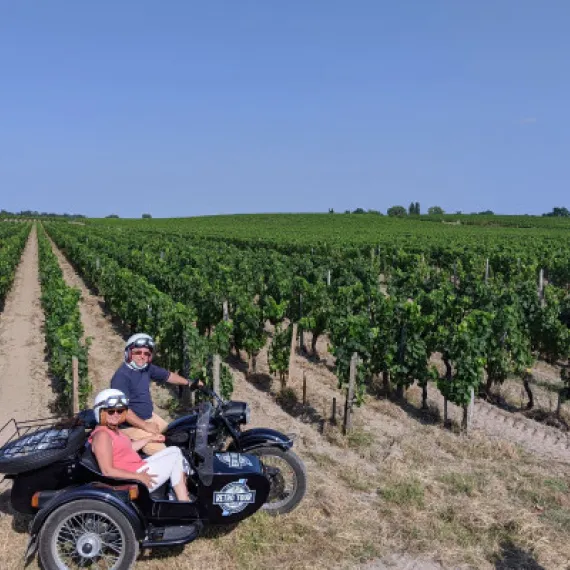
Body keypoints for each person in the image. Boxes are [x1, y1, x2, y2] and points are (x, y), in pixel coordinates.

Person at [89, 389, 190, 501]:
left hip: (138, 468)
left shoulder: (112, 430)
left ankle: (177, 495)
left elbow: (128, 448)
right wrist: (138, 477)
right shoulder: (102, 435)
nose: (116, 415)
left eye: (120, 411)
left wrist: (150, 438)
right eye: (111, 411)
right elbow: (107, 471)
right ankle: (183, 500)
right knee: (175, 457)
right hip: (133, 478)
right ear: (100, 412)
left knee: (174, 450)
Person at [110, 333, 201, 455]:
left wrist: (189, 383)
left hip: (149, 417)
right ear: (129, 353)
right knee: (165, 454)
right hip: (130, 426)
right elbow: (122, 410)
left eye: (146, 354)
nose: (142, 356)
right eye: (138, 352)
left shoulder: (146, 368)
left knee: (178, 433)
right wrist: (145, 426)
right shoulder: (121, 377)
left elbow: (168, 376)